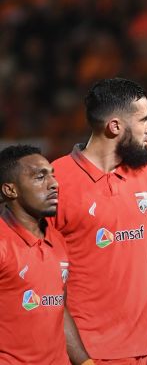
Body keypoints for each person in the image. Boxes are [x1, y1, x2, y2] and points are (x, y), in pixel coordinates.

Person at [50, 78, 147, 364]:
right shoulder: (56, 181)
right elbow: (44, 278)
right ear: (115, 127)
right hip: (86, 351)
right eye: (144, 120)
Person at [0, 145, 92, 364]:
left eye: (52, 175)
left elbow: (58, 309)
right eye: (40, 177)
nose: (54, 184)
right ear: (10, 190)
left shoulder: (57, 240)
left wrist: (86, 362)